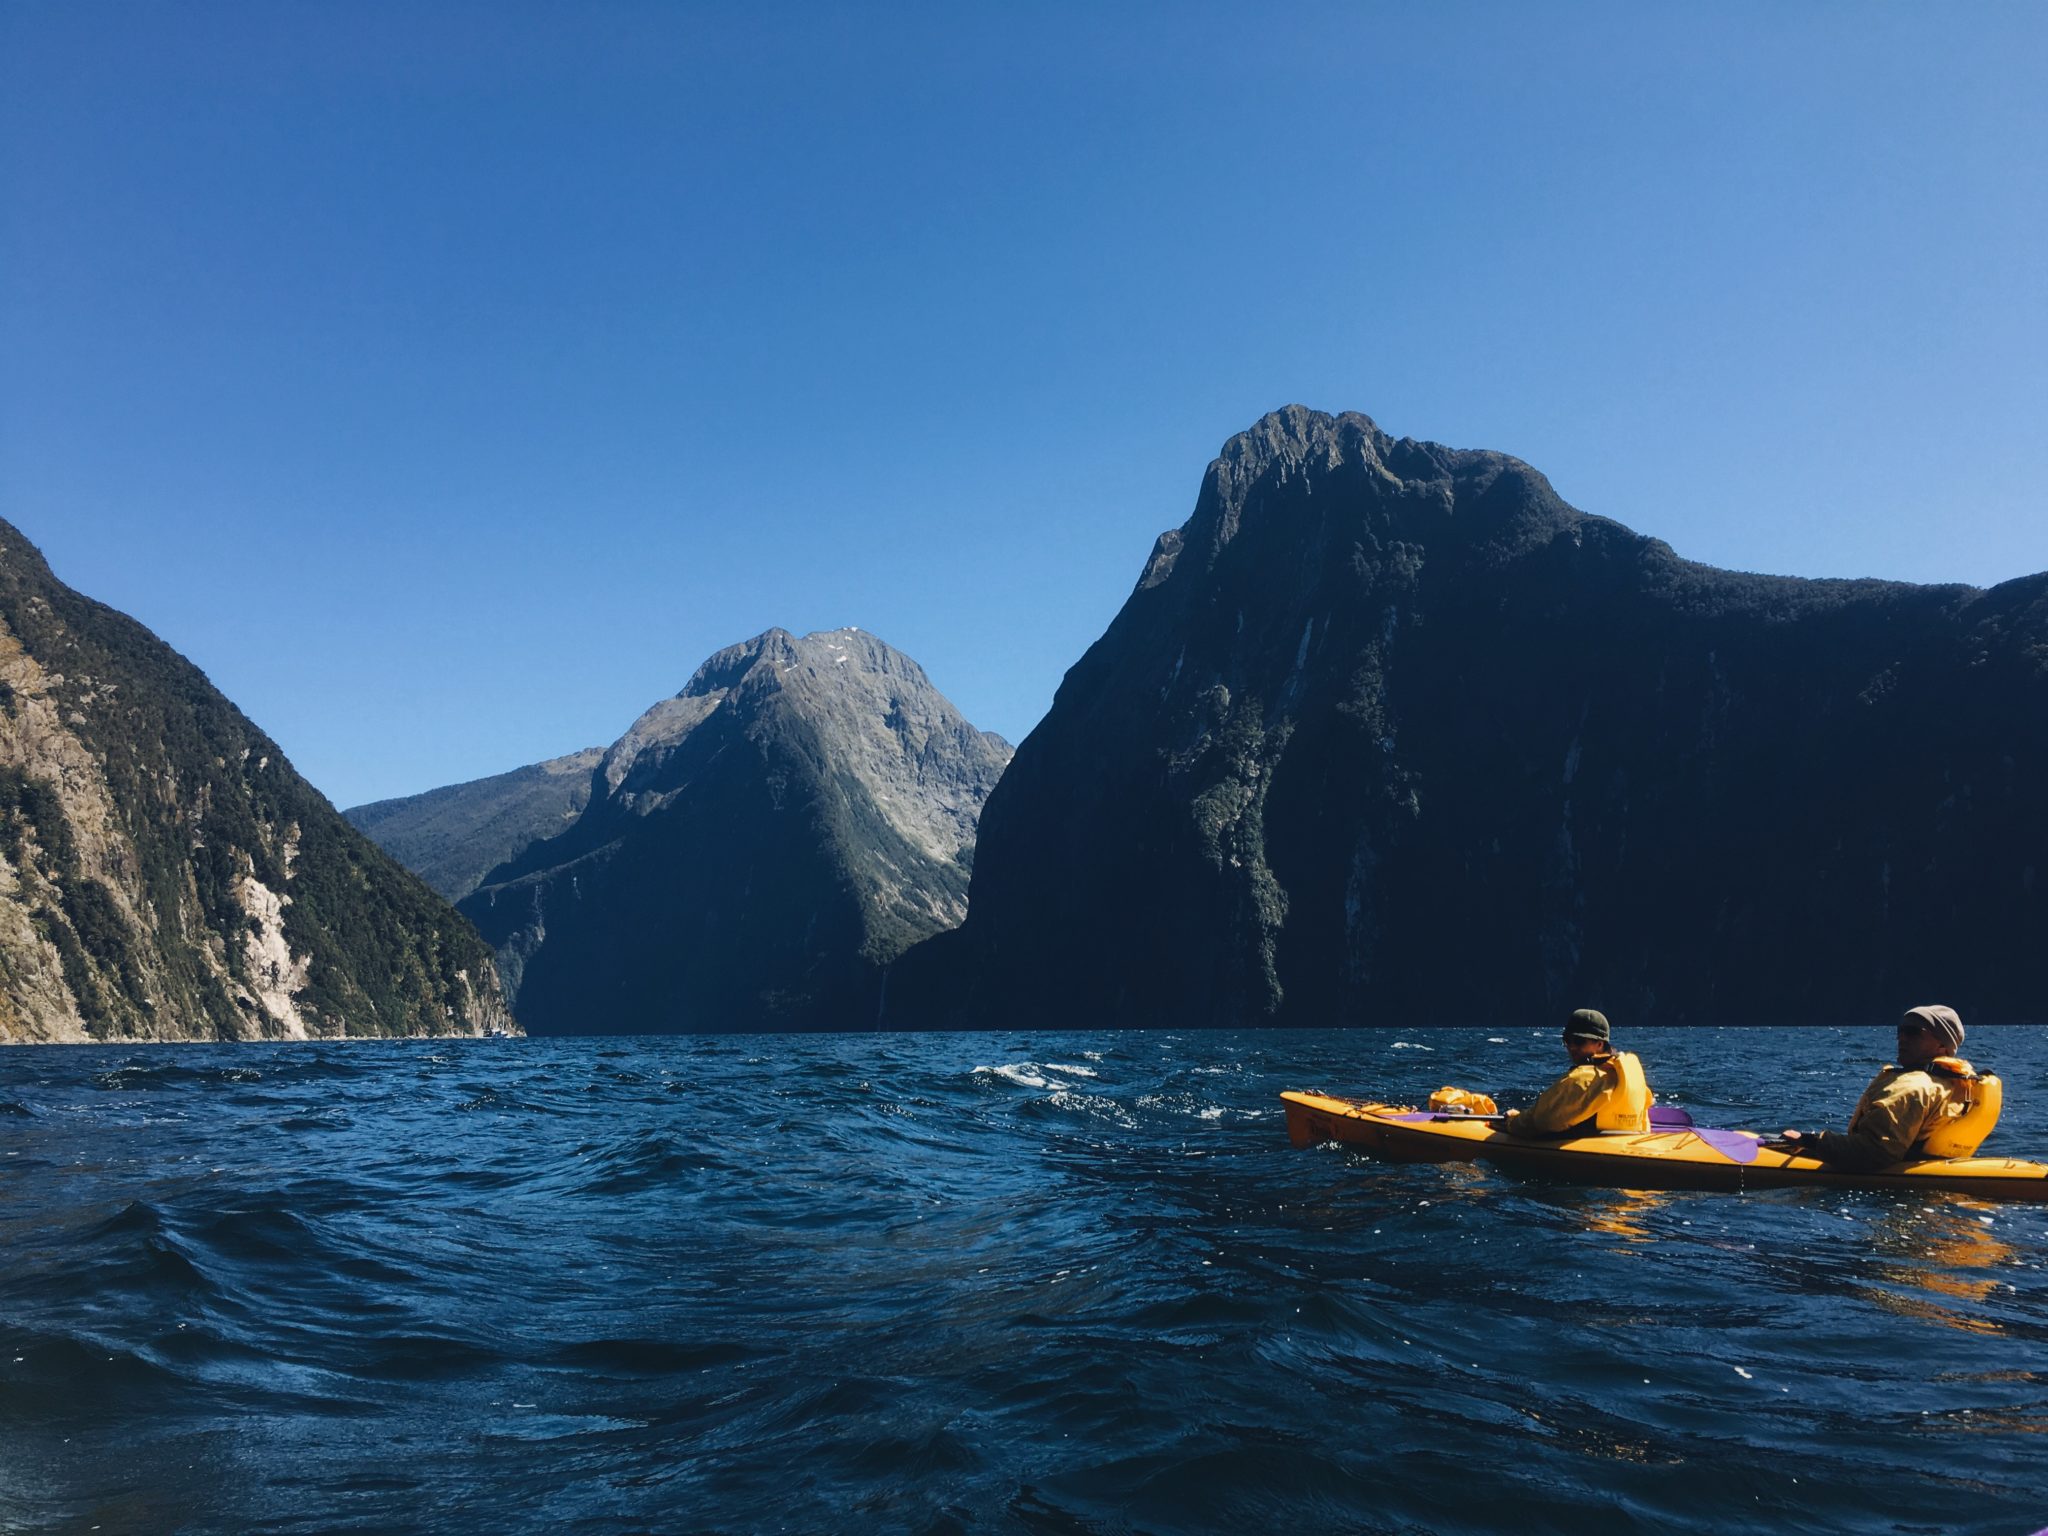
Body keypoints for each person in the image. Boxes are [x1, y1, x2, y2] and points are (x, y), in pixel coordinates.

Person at [1768, 1005, 1975, 1169]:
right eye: (1900, 1031)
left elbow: (1874, 1153)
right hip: (1922, 1166)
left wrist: (1810, 1141)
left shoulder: (1913, 1087)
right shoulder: (1953, 1082)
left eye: (1913, 1032)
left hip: (1884, 1178)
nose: (1902, 1038)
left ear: (1942, 1045)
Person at [1502, 1009, 1649, 1137]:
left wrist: (1512, 1121)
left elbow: (1541, 1120)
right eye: (1567, 1040)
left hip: (1585, 1146)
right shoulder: (1625, 1072)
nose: (1571, 1047)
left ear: (1599, 1044)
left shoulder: (1583, 1078)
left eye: (1579, 1041)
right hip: (1626, 1139)